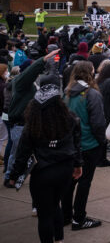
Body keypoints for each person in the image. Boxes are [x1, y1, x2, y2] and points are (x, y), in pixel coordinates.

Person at [8, 75, 83, 243]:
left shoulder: (33, 123)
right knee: (55, 204)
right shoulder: (70, 119)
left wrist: (14, 175)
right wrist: (78, 165)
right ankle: (59, 239)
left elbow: (22, 152)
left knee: (44, 213)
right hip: (65, 169)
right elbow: (77, 145)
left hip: (43, 172)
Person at [4, 49, 58, 186]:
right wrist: (43, 60)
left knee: (24, 152)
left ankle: (17, 175)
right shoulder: (22, 82)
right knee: (17, 152)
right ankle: (10, 177)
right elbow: (30, 72)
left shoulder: (29, 84)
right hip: (20, 124)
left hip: (27, 123)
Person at [62, 61, 106, 230]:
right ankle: (78, 218)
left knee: (70, 181)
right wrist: (101, 140)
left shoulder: (67, 93)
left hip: (70, 144)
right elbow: (98, 123)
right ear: (89, 73)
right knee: (84, 182)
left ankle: (66, 215)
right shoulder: (91, 94)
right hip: (88, 144)